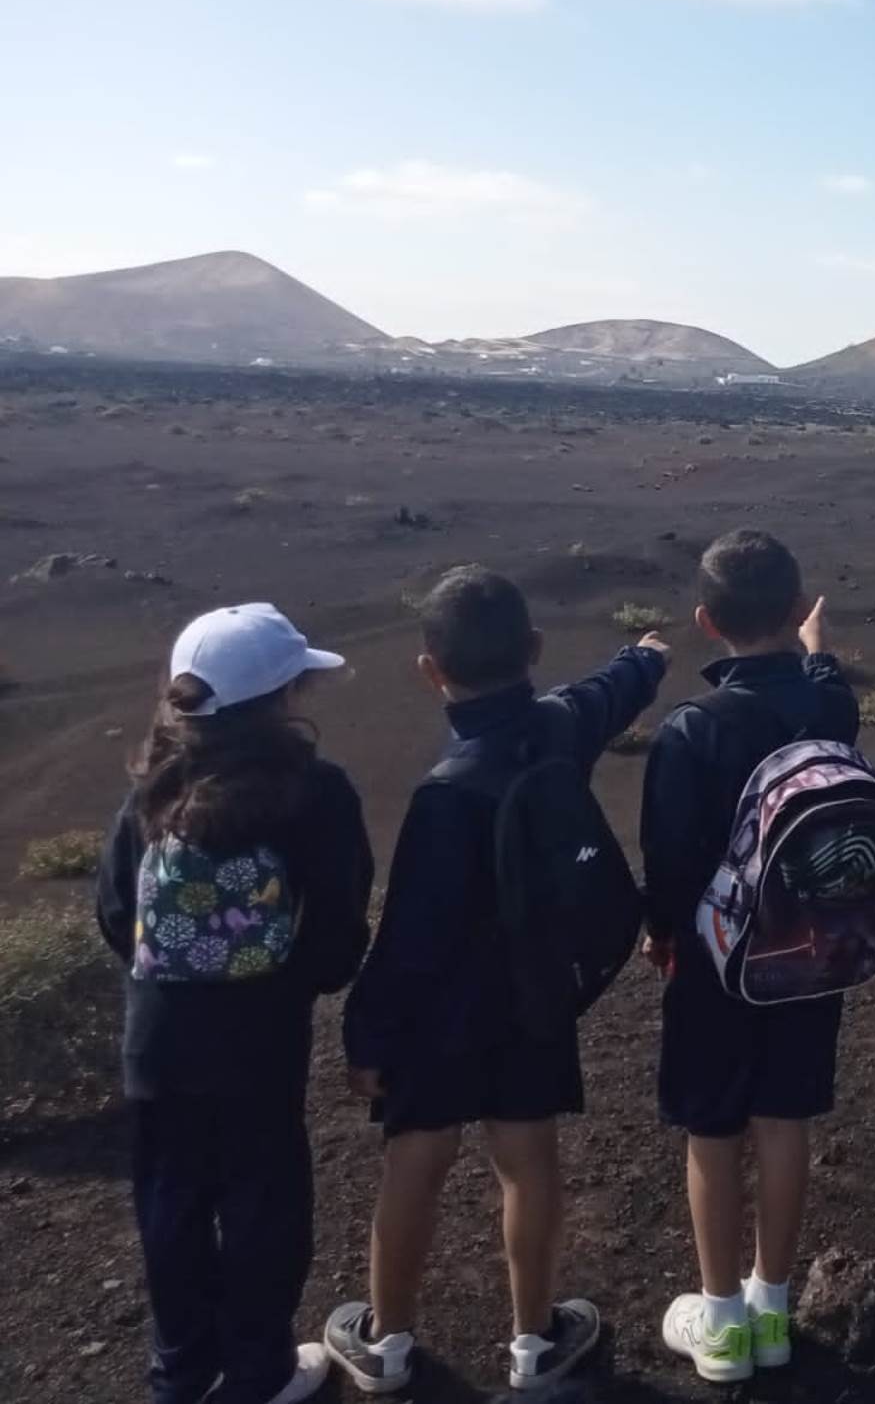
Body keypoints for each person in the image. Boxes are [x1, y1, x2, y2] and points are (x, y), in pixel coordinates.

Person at [330, 569, 666, 1394]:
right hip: (532, 993)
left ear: (429, 670)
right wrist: (648, 656)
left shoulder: (442, 796)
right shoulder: (558, 729)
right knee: (529, 1158)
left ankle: (389, 1342)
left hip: (440, 1017)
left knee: (415, 1157)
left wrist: (367, 1033)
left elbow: (406, 939)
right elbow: (606, 692)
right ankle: (535, 1341)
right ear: (535, 651)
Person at [96, 605, 373, 1404]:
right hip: (259, 1040)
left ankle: (180, 1372)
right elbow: (337, 927)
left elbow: (117, 912)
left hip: (156, 1040)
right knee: (264, 1198)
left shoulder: (149, 790)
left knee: (169, 1202)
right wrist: (286, 979)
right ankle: (259, 1371)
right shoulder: (314, 791)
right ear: (280, 695)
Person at [642, 531, 862, 1383]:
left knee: (712, 1124)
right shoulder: (828, 708)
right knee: (783, 1118)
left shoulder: (692, 728)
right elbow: (831, 690)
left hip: (716, 961)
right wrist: (820, 651)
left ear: (705, 621)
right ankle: (773, 1308)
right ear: (795, 606)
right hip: (812, 951)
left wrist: (663, 933)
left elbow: (668, 862)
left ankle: (722, 1323)